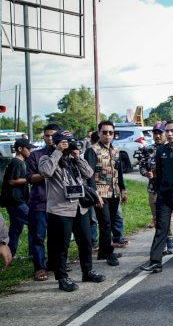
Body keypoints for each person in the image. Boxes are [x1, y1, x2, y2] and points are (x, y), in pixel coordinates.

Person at [39, 131, 106, 292]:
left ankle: (87, 271)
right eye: (64, 142)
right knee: (60, 246)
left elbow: (89, 173)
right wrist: (58, 152)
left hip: (79, 208)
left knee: (86, 241)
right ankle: (62, 278)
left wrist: (77, 157)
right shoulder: (47, 158)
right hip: (60, 209)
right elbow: (46, 172)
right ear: (56, 143)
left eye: (68, 142)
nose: (67, 145)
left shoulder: (72, 160)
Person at [141, 121, 173, 273]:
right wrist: (158, 192)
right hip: (164, 195)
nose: (169, 134)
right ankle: (155, 261)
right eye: (167, 131)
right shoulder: (161, 151)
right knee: (161, 227)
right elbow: (158, 174)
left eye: (172, 131)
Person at [84, 120, 127, 266]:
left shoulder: (115, 151)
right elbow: (88, 175)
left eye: (111, 132)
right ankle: (108, 253)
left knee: (112, 222)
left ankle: (103, 251)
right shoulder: (92, 150)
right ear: (99, 133)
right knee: (105, 223)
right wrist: (94, 194)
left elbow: (119, 172)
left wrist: (123, 190)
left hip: (114, 192)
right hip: (101, 193)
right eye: (104, 132)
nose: (108, 135)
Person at [26, 123, 61, 281]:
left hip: (59, 204)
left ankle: (55, 264)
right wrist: (46, 172)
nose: (49, 138)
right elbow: (30, 178)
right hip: (39, 203)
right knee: (38, 237)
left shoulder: (64, 154)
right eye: (47, 135)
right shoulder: (35, 155)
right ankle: (39, 268)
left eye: (53, 135)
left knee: (57, 237)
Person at [1, 139, 35, 258]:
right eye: (28, 148)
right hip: (16, 201)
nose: (30, 151)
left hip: (17, 200)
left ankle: (11, 253)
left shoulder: (22, 162)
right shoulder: (16, 162)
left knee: (16, 228)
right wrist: (31, 179)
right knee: (33, 223)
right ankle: (33, 253)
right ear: (20, 149)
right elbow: (11, 181)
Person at [141, 123, 166, 229]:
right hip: (153, 188)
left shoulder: (170, 148)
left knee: (165, 218)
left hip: (168, 188)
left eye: (160, 133)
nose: (157, 136)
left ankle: (169, 240)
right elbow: (142, 167)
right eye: (155, 133)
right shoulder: (147, 149)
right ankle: (161, 242)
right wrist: (146, 173)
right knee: (156, 217)